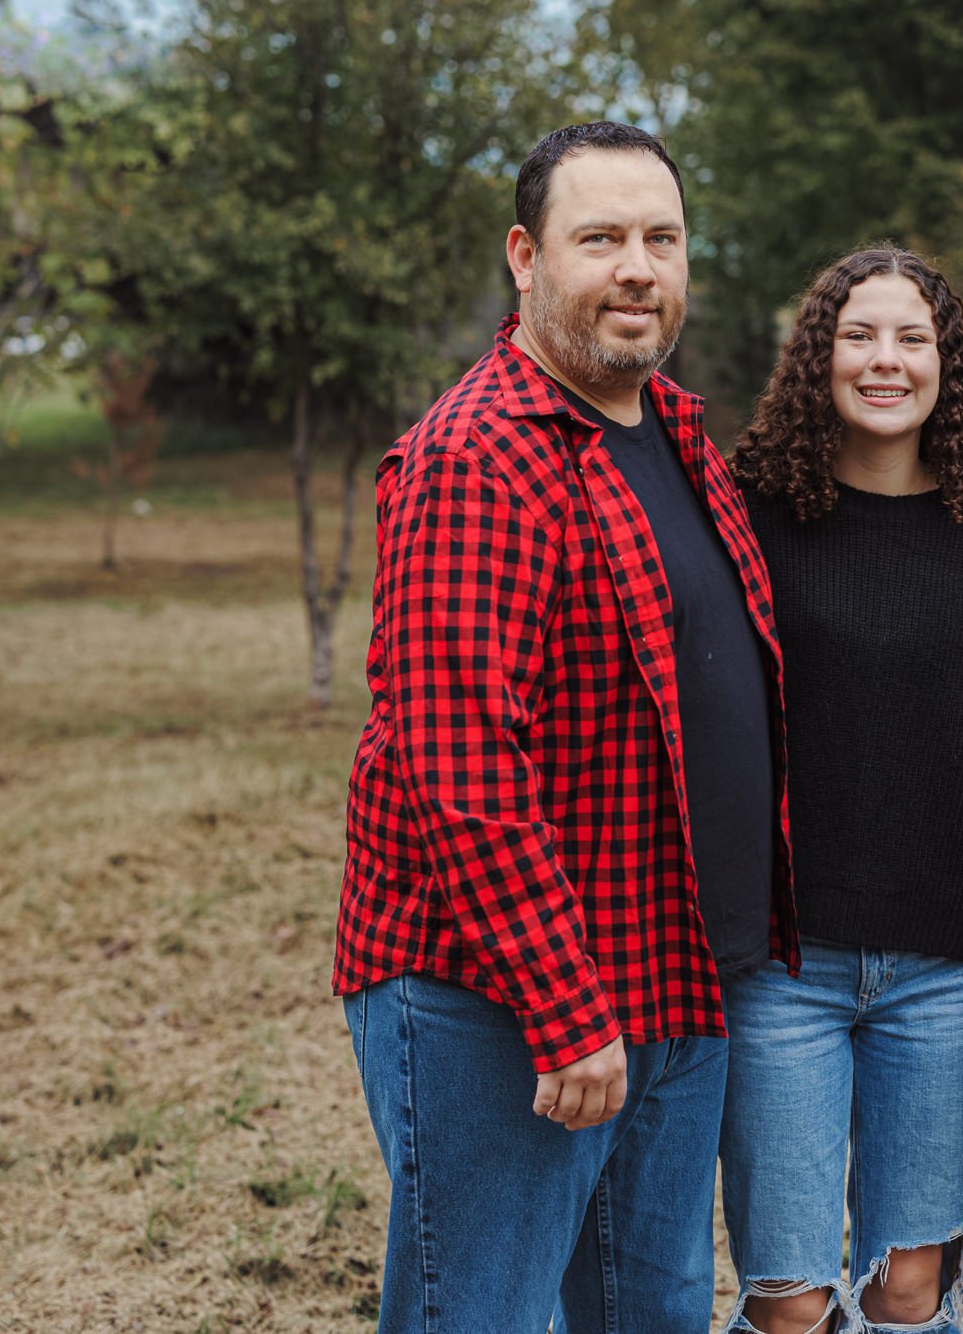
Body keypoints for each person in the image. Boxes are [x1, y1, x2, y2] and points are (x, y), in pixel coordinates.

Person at [332, 121, 796, 1334]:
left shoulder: (674, 433)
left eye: (661, 238)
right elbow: (459, 764)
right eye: (601, 239)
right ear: (526, 259)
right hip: (503, 1003)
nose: (637, 267)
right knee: (475, 1314)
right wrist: (563, 1006)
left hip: (671, 978)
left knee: (649, 1316)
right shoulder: (478, 461)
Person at [723, 245, 963, 1334]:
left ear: (945, 364)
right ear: (816, 357)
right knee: (791, 1297)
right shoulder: (753, 513)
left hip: (939, 970)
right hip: (787, 963)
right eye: (857, 335)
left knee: (908, 1288)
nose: (884, 360)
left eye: (911, 338)